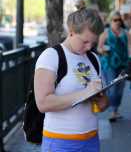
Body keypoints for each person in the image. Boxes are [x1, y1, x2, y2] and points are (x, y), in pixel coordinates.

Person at [34, 8, 108, 152]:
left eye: (93, 43)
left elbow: (103, 104)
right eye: (85, 41)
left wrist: (101, 100)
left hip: (91, 139)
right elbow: (43, 103)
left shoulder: (93, 58)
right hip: (60, 141)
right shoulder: (51, 56)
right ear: (71, 32)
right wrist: (85, 94)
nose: (89, 47)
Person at [98, 11, 130, 122]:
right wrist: (102, 51)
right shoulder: (105, 33)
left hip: (123, 64)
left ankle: (116, 110)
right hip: (109, 64)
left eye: (119, 20)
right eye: (114, 20)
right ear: (110, 21)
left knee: (120, 89)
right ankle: (113, 111)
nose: (117, 22)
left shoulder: (125, 33)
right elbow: (99, 48)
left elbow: (130, 47)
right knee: (112, 88)